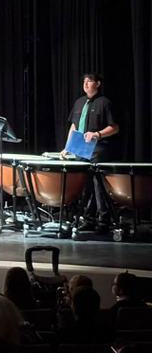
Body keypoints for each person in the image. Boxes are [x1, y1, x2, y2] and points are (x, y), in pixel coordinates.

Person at [63, 72, 120, 233]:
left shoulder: (105, 103)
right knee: (83, 185)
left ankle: (103, 220)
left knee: (98, 186)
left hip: (98, 149)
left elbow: (115, 127)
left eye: (89, 81)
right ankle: (87, 219)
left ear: (98, 84)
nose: (86, 84)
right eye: (84, 82)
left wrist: (97, 134)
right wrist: (68, 146)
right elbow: (74, 127)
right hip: (80, 149)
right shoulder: (79, 102)